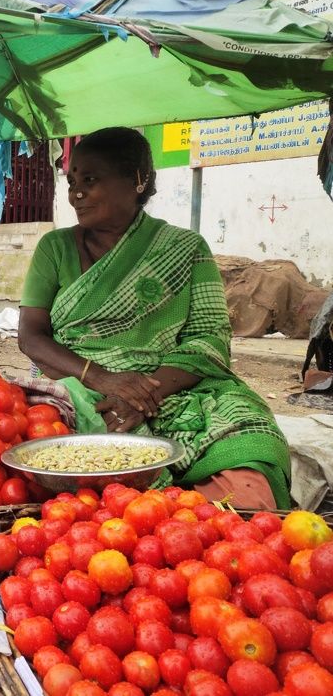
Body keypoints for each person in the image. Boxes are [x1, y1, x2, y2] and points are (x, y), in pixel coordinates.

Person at [18, 127, 291, 509]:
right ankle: (142, 517)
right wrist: (104, 379)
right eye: (72, 180)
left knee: (248, 443)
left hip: (173, 385)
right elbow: (31, 337)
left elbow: (208, 337)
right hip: (78, 382)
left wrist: (144, 393)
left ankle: (204, 519)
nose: (75, 192)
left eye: (90, 179)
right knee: (54, 452)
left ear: (136, 179)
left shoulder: (184, 248)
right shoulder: (55, 247)